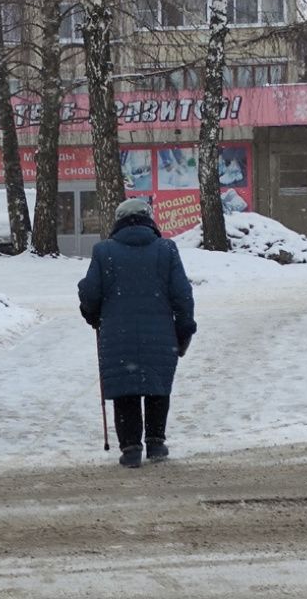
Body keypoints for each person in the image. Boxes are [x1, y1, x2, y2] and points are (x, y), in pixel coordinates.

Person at [78, 198, 197, 468]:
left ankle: (131, 448)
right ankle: (156, 442)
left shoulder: (103, 251)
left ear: (118, 221)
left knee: (125, 388)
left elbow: (90, 293)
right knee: (157, 386)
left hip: (117, 334)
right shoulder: (167, 250)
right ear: (149, 219)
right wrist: (184, 329)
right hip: (161, 333)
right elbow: (182, 295)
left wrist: (91, 314)